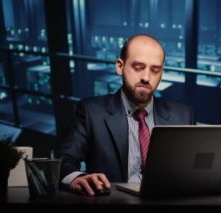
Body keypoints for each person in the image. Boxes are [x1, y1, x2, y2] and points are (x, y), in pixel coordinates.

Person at [57, 34, 195, 196]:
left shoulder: (183, 115)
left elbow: (195, 171)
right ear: (120, 67)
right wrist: (76, 178)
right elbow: (63, 160)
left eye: (155, 70)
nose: (146, 77)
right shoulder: (90, 112)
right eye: (138, 67)